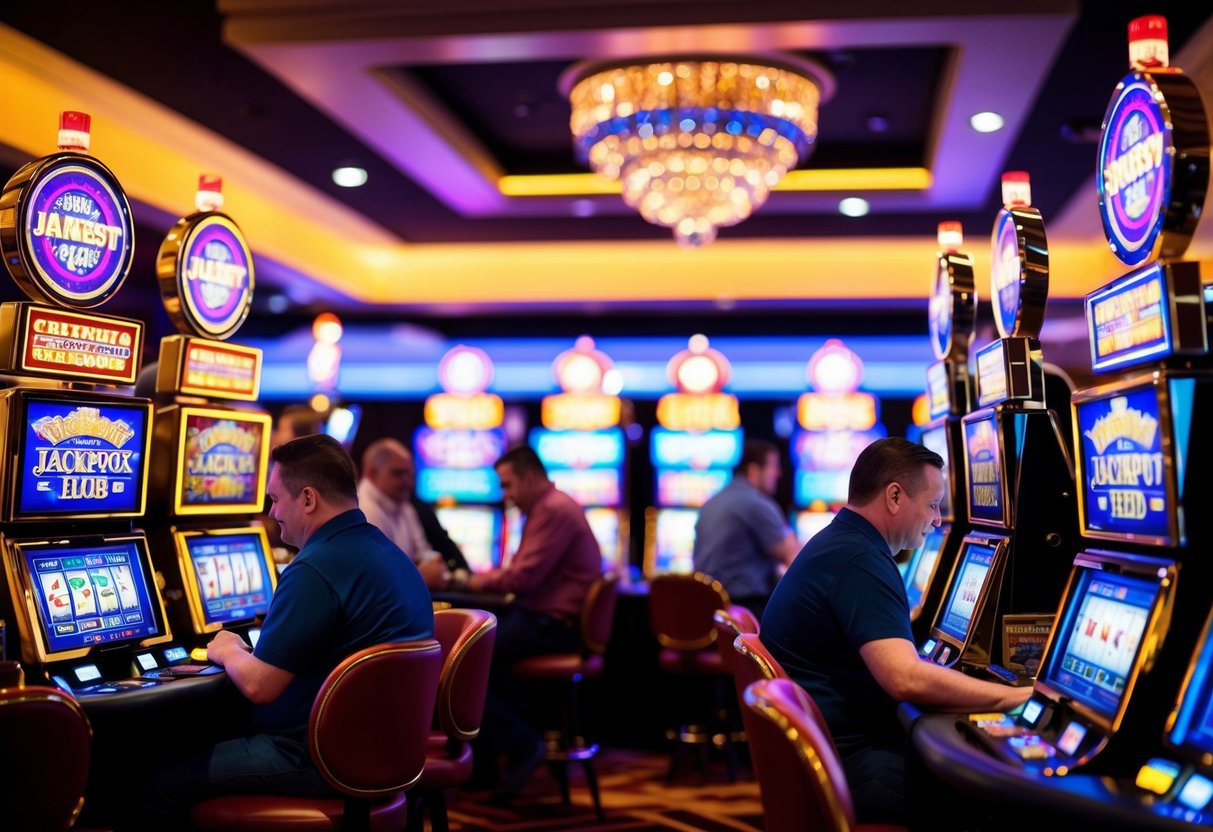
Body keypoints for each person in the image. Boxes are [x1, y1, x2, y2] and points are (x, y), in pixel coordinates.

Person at [140, 434, 433, 827]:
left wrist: (227, 648)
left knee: (156, 781)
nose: (273, 512)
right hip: (387, 750)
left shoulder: (315, 566)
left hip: (315, 755)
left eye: (276, 499)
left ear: (308, 499)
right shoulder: (388, 552)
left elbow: (262, 686)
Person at [760, 437, 1031, 825]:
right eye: (933, 505)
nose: (938, 520)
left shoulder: (843, 541)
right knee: (1001, 800)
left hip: (834, 753)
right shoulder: (859, 558)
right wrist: (1014, 699)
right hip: (854, 765)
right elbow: (904, 679)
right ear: (894, 497)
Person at [464, 445, 602, 801]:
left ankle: (523, 746)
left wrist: (472, 581)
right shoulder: (549, 507)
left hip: (552, 626)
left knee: (465, 666)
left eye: (509, 486)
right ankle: (489, 766)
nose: (506, 496)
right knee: (483, 666)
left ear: (529, 477)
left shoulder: (553, 510)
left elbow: (522, 578)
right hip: (544, 620)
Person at [692, 438, 799, 618]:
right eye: (773, 467)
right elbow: (796, 559)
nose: (779, 474)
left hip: (703, 612)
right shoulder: (756, 503)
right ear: (754, 471)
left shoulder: (711, 502)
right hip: (743, 611)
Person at [357, 437, 470, 589]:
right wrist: (421, 575)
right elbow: (378, 582)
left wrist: (434, 567)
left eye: (410, 474)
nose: (408, 482)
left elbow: (424, 553)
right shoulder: (363, 511)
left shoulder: (403, 505)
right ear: (371, 473)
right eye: (398, 474)